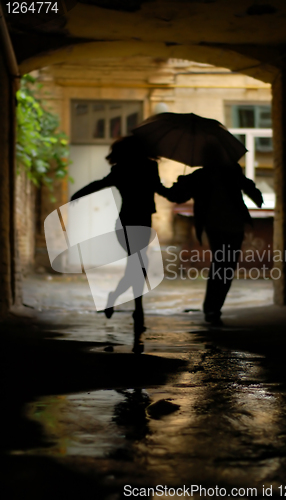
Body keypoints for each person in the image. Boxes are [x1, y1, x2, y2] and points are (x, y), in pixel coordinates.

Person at [70, 135, 168, 352]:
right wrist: (181, 191)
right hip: (134, 224)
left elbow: (98, 184)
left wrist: (77, 195)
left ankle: (115, 298)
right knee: (138, 266)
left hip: (130, 223)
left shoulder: (123, 169)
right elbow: (163, 191)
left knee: (136, 266)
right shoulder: (147, 167)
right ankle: (138, 311)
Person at [166, 146, 263, 326]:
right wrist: (181, 183)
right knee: (224, 266)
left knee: (222, 266)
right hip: (226, 226)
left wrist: (180, 185)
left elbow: (176, 196)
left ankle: (212, 308)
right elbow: (176, 196)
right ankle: (212, 308)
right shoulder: (212, 174)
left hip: (222, 226)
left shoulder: (211, 174)